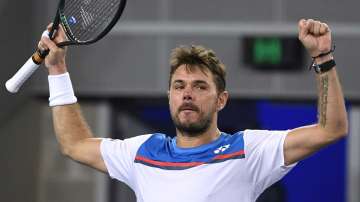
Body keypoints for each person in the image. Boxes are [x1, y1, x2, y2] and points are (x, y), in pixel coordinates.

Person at [38, 19, 348, 202]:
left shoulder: (249, 150)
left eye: (200, 86)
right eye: (179, 86)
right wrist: (57, 68)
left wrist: (322, 57)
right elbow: (74, 144)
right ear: (169, 96)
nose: (187, 93)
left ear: (221, 100)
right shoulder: (142, 152)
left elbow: (330, 129)